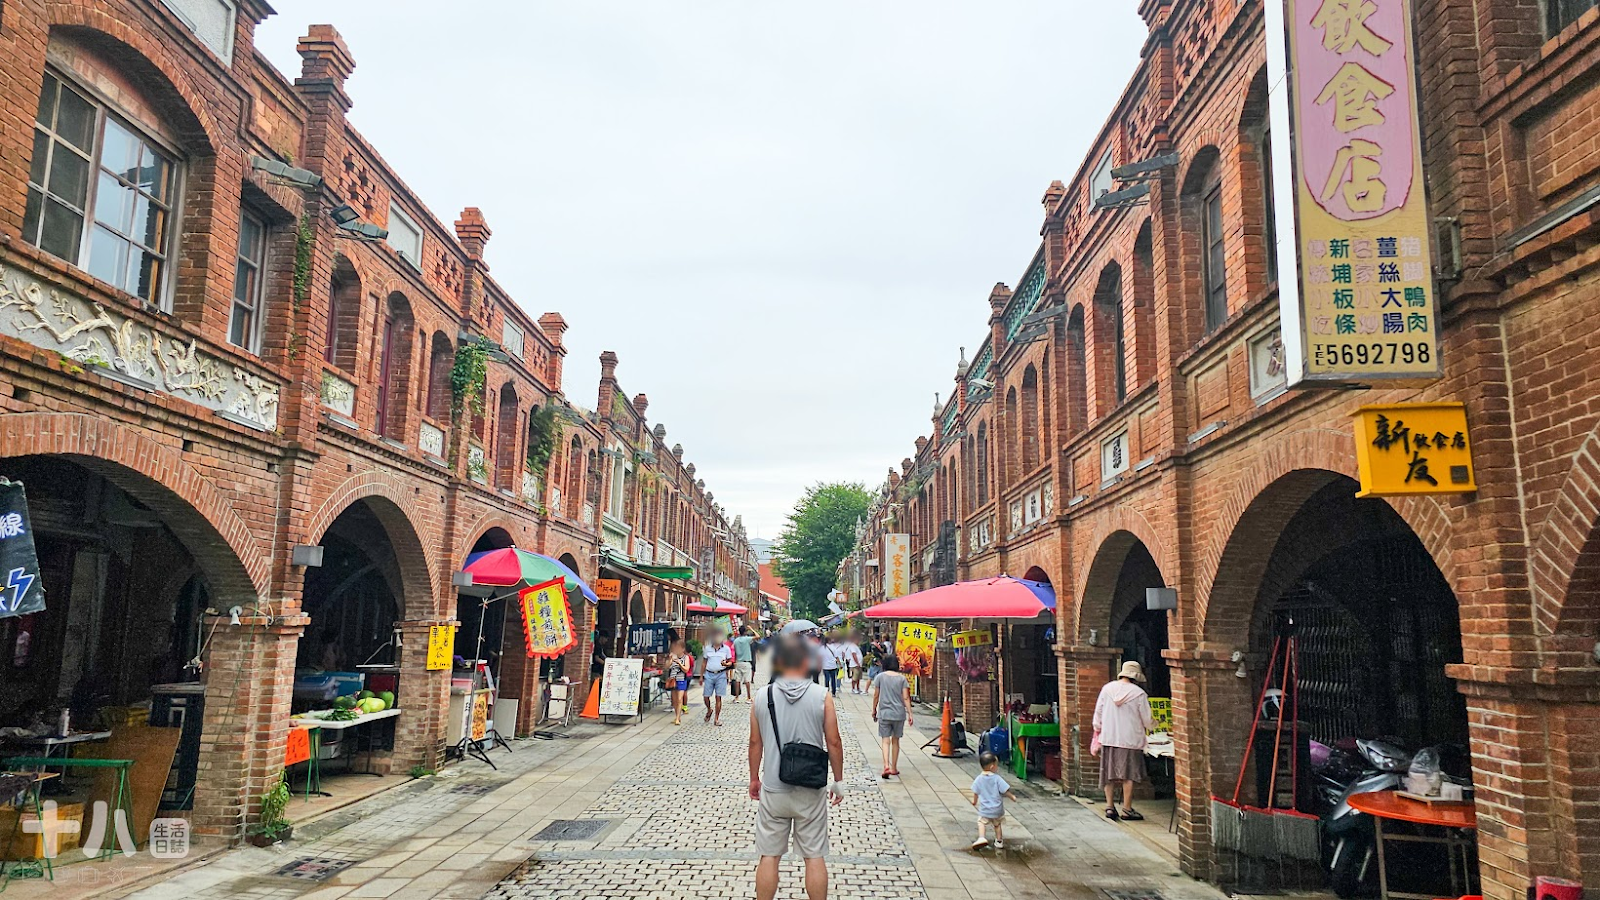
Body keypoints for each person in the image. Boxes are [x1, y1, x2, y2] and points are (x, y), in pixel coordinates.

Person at [748, 635, 845, 900]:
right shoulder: (822, 696)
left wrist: (754, 778)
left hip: (774, 788)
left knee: (769, 856)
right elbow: (834, 742)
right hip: (810, 789)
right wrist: (838, 779)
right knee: (814, 856)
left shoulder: (761, 696)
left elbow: (755, 742)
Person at [1093, 660, 1155, 821]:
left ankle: (1109, 806)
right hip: (1130, 739)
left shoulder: (1107, 689)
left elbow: (1098, 714)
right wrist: (1154, 725)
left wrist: (1099, 729)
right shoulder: (1139, 694)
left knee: (1108, 774)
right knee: (1129, 775)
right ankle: (1127, 808)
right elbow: (1147, 719)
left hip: (1109, 737)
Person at [870, 653, 912, 779]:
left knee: (885, 740)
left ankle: (885, 765)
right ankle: (894, 767)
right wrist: (910, 713)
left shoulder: (880, 677)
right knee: (896, 740)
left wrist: (874, 709)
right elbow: (905, 697)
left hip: (885, 713)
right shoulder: (902, 679)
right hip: (899, 714)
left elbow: (876, 695)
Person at [969, 750, 1018, 850]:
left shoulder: (979, 779)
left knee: (981, 822)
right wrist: (1012, 796)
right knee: (997, 824)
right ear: (992, 767)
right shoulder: (997, 778)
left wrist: (974, 801)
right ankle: (999, 841)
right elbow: (1004, 791)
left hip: (985, 809)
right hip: (997, 809)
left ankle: (982, 837)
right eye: (997, 765)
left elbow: (975, 792)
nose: (997, 767)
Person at [701, 629, 735, 725]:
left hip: (721, 674)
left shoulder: (726, 649)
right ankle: (709, 709)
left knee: (718, 697)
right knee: (706, 696)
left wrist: (726, 664)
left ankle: (716, 718)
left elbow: (730, 662)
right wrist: (701, 676)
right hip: (709, 674)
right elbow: (704, 662)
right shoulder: (707, 648)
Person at [666, 639, 694, 726]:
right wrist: (670, 659)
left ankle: (678, 717)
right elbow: (667, 667)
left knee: (679, 699)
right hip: (673, 680)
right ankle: (676, 716)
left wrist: (679, 663)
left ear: (682, 649)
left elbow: (686, 669)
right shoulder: (672, 656)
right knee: (674, 700)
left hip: (681, 680)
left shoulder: (686, 658)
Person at [732, 626, 757, 702]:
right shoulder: (747, 639)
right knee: (747, 681)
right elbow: (757, 636)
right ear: (745, 632)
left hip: (738, 662)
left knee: (737, 680)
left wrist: (735, 661)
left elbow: (734, 651)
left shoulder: (735, 641)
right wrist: (752, 629)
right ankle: (748, 697)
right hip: (746, 662)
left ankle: (737, 697)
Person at [821, 632, 844, 696]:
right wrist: (840, 664)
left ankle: (826, 691)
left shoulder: (822, 648)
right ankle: (833, 692)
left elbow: (820, 657)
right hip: (833, 666)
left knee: (827, 679)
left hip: (825, 666)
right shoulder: (833, 647)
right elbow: (837, 657)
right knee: (833, 680)